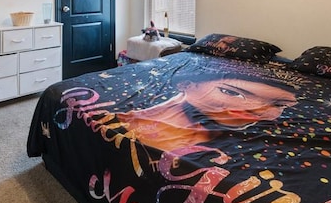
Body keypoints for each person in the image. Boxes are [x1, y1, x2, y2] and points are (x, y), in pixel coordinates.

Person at [116, 62, 299, 152]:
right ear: (186, 84)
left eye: (278, 104)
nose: (257, 109)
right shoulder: (119, 120)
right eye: (232, 93)